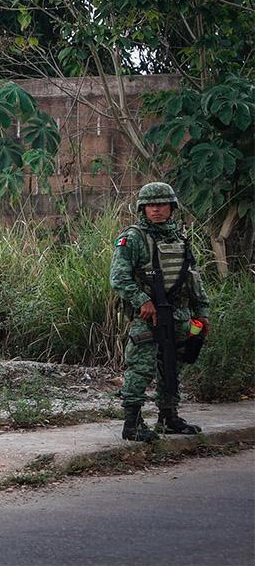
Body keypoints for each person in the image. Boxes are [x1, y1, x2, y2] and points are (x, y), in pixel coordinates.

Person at [110, 182, 210, 442]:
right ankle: (132, 423)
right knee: (140, 368)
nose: (156, 209)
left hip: (178, 314)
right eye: (151, 205)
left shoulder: (178, 236)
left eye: (162, 204)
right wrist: (142, 300)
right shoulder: (133, 237)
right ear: (142, 208)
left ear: (171, 207)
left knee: (172, 367)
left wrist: (202, 311)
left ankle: (169, 417)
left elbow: (192, 278)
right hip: (148, 316)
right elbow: (119, 277)